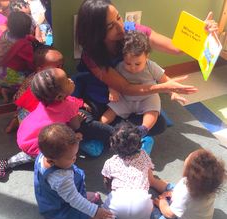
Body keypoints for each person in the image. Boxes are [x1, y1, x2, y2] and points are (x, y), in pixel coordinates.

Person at [75, 0, 217, 134]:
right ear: (96, 31)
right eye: (110, 26)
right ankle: (123, 135)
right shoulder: (91, 52)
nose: (120, 26)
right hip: (104, 98)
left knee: (158, 124)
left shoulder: (133, 31)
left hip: (136, 96)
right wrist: (165, 87)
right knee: (80, 120)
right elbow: (125, 88)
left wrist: (201, 31)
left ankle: (118, 135)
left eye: (119, 18)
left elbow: (176, 48)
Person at [100, 31, 187, 136]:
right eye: (128, 63)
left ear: (147, 57)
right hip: (125, 98)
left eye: (137, 64)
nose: (132, 67)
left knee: (153, 111)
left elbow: (165, 81)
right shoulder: (119, 67)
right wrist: (112, 90)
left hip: (146, 99)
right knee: (111, 111)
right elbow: (112, 81)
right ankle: (99, 126)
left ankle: (143, 129)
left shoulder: (151, 67)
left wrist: (173, 93)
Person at [34, 123, 113, 219]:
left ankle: (84, 198)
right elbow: (75, 200)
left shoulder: (45, 154)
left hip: (54, 197)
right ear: (52, 160)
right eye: (71, 157)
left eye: (76, 153)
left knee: (80, 197)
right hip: (60, 208)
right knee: (84, 216)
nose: (75, 158)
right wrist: (95, 211)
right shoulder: (60, 179)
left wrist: (76, 140)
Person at [101, 122, 169, 219]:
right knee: (145, 218)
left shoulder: (110, 162)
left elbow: (107, 182)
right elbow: (149, 176)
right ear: (139, 143)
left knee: (104, 213)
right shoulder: (144, 155)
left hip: (118, 204)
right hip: (141, 205)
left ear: (113, 144)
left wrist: (111, 191)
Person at [148, 149, 227, 219]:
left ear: (189, 173)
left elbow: (170, 214)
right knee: (172, 187)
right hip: (192, 212)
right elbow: (182, 193)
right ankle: (153, 181)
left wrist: (162, 202)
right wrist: (175, 194)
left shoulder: (186, 195)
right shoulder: (209, 186)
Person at [5, 45, 63, 133]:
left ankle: (15, 120)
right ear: (41, 69)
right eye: (57, 67)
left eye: (62, 66)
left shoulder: (36, 76)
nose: (61, 70)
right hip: (30, 112)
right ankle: (17, 121)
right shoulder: (42, 82)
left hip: (22, 107)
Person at [0, 11, 35, 102]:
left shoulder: (5, 34)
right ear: (27, 29)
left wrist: (29, 38)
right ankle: (8, 90)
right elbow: (31, 64)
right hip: (12, 78)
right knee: (33, 79)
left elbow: (17, 40)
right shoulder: (25, 46)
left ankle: (1, 86)